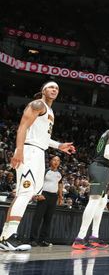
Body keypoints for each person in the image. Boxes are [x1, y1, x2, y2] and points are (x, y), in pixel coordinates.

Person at [1, 81, 75, 252]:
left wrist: (59, 145)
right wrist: (19, 150)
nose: (54, 89)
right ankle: (9, 237)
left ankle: (5, 237)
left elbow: (42, 137)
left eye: (57, 88)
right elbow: (23, 127)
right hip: (30, 151)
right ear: (43, 90)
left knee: (23, 194)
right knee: (25, 193)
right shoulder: (37, 104)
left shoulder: (50, 111)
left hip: (39, 152)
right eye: (51, 87)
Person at [72, 115, 109, 250]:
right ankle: (79, 239)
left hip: (102, 169)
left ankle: (94, 237)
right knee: (94, 201)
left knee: (101, 202)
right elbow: (107, 154)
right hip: (100, 167)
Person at [29, 155, 63, 247]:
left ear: (59, 163)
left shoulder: (59, 174)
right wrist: (38, 194)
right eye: (54, 160)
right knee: (38, 218)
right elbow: (38, 182)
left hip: (53, 197)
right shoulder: (45, 171)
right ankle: (33, 239)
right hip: (44, 195)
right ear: (51, 161)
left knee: (48, 220)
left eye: (58, 160)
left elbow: (60, 185)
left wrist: (60, 197)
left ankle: (43, 240)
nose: (56, 162)